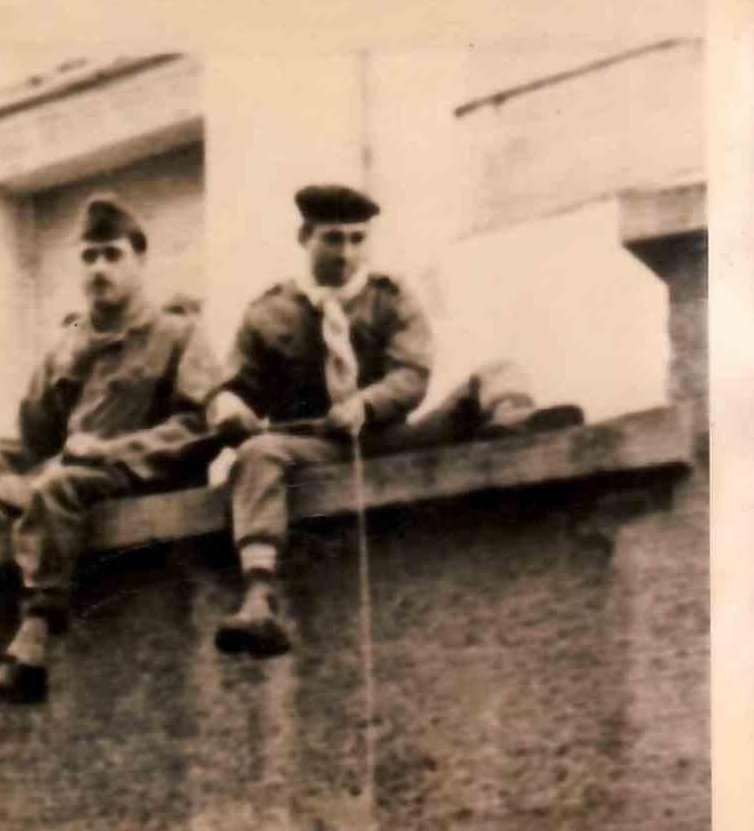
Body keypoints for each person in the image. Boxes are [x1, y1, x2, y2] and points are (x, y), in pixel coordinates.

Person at [208, 183, 578, 657]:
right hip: (315, 450)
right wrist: (230, 408)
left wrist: (365, 405)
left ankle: (515, 428)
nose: (346, 253)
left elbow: (412, 374)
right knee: (257, 453)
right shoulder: (267, 312)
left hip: (392, 437)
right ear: (305, 236)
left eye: (357, 239)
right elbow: (236, 387)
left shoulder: (391, 297)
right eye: (333, 239)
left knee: (498, 372)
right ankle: (260, 596)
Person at [0, 194, 221, 705]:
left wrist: (109, 451)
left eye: (112, 254)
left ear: (140, 260)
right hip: (77, 489)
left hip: (147, 483)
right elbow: (25, 440)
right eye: (88, 257)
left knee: (57, 486)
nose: (99, 269)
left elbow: (201, 428)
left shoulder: (178, 335)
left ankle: (32, 647)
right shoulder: (66, 348)